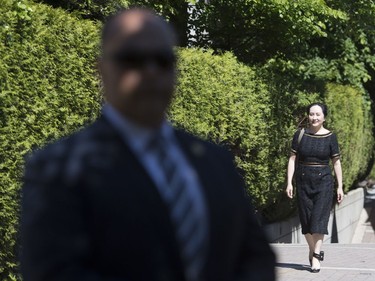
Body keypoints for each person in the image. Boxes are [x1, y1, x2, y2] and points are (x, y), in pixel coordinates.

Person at [20, 8, 275, 281]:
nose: (150, 71)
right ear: (102, 70)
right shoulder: (59, 167)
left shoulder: (215, 160)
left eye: (162, 60)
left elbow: (256, 257)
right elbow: (55, 272)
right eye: (133, 59)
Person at [286, 102, 344, 273]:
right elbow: (292, 159)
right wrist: (289, 182)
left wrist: (340, 186)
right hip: (303, 180)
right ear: (308, 116)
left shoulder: (330, 137)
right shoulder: (300, 134)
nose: (314, 117)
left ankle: (316, 256)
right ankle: (312, 249)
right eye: (311, 114)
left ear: (324, 117)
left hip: (324, 182)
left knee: (319, 219)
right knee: (306, 220)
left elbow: (336, 162)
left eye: (318, 114)